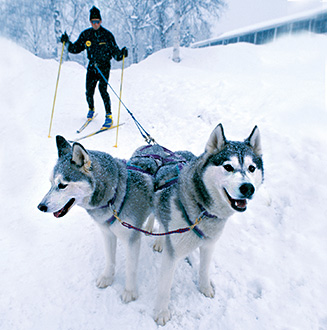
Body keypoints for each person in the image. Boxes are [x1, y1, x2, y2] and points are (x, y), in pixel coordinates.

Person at [60, 6, 128, 128]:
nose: (95, 24)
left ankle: (109, 116)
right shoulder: (86, 34)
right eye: (93, 22)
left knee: (103, 90)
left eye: (97, 21)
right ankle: (91, 108)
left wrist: (122, 54)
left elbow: (116, 53)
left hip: (104, 67)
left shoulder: (107, 35)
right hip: (92, 66)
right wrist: (67, 42)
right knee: (89, 91)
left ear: (100, 21)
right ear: (90, 22)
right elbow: (75, 49)